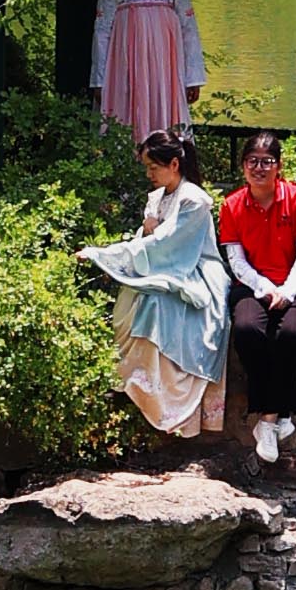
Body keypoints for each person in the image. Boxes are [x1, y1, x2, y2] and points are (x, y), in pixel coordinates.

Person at [86, 130, 228, 442]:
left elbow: (167, 244)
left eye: (153, 167)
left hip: (195, 268)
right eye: (147, 168)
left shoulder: (194, 199)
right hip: (166, 265)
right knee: (133, 298)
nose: (149, 174)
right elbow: (149, 241)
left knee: (156, 305)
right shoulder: (157, 197)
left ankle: (154, 388)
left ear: (174, 164)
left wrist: (105, 253)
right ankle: (136, 378)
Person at [215, 130, 296, 470]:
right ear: (243, 165)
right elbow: (236, 261)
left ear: (279, 166)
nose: (259, 168)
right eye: (253, 162)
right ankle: (283, 412)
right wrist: (264, 288)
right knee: (247, 330)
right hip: (252, 285)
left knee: (291, 332)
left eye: (267, 162)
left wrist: (288, 292)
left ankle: (267, 419)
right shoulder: (232, 206)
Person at [88, 0, 205, 147]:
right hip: (125, 68)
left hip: (166, 69)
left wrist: (193, 77)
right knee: (128, 111)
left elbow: (188, 30)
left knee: (165, 115)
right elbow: (102, 33)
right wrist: (99, 81)